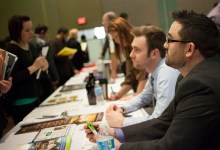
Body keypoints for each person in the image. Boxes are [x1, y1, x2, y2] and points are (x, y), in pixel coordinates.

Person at [85, 10, 220, 149]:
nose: (165, 45)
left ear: (189, 49)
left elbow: (170, 146)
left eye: (170, 40)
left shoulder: (199, 85)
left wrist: (118, 147)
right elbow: (163, 122)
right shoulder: (187, 76)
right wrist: (114, 133)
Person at [106, 25, 179, 127]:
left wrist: (122, 122)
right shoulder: (155, 71)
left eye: (137, 50)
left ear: (154, 53)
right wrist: (122, 108)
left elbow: (160, 119)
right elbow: (143, 97)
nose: (131, 55)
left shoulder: (167, 73)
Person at [5, 15, 49, 124]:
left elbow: (36, 72)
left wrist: (43, 67)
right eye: (27, 30)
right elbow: (11, 78)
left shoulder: (31, 47)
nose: (32, 33)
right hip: (21, 103)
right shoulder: (11, 50)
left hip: (36, 96)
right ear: (16, 32)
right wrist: (34, 67)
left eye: (31, 29)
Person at [108, 17, 148, 100]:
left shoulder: (139, 43)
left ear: (124, 33)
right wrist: (118, 95)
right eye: (113, 39)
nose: (116, 41)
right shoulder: (128, 48)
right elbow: (131, 75)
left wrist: (137, 97)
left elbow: (144, 74)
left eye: (116, 37)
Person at [30, 24, 60, 101]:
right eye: (47, 33)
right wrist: (55, 77)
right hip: (44, 76)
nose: (47, 35)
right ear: (43, 32)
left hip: (33, 78)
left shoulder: (28, 42)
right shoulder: (43, 43)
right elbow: (50, 61)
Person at [100, 11, 118, 79]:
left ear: (110, 21)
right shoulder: (110, 33)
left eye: (104, 20)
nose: (103, 23)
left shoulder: (113, 32)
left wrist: (113, 71)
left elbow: (114, 54)